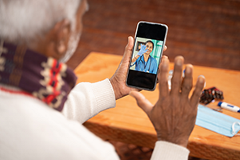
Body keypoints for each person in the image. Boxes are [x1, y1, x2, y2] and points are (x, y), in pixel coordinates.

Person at [0, 0, 205, 159]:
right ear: (61, 36)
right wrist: (173, 141)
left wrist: (113, 87)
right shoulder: (90, 154)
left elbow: (37, 113)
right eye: (81, 16)